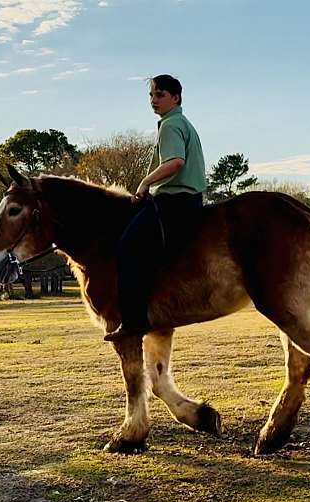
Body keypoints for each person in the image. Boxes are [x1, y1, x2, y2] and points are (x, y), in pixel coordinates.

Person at [104, 74, 206, 342]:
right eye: (151, 95)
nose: (153, 100)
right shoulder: (182, 123)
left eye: (159, 95)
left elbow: (175, 162)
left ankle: (134, 322)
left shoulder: (171, 125)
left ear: (176, 97)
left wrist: (145, 183)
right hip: (189, 200)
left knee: (127, 249)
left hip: (175, 201)